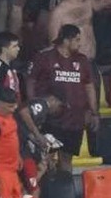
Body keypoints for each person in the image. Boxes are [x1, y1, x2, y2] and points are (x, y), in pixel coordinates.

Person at [28, 22, 100, 159]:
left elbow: (89, 86)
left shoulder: (82, 60)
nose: (80, 44)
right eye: (77, 40)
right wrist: (34, 106)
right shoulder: (44, 57)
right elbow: (31, 81)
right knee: (46, 159)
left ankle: (66, 181)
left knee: (67, 159)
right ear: (67, 40)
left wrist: (94, 112)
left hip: (74, 119)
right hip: (50, 118)